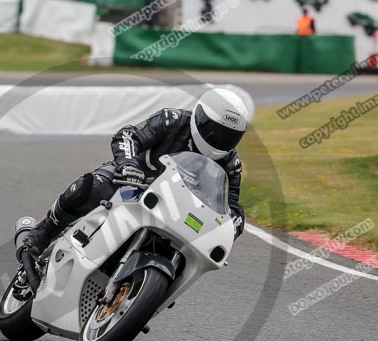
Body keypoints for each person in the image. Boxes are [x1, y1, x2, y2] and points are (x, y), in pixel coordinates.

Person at [16, 87, 249, 258]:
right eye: (215, 131)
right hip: (132, 183)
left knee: (190, 254)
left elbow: (232, 205)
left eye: (230, 137)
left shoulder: (231, 163)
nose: (220, 141)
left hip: (179, 215)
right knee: (89, 187)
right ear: (200, 117)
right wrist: (129, 165)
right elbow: (128, 135)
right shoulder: (172, 120)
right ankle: (44, 230)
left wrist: (231, 227)